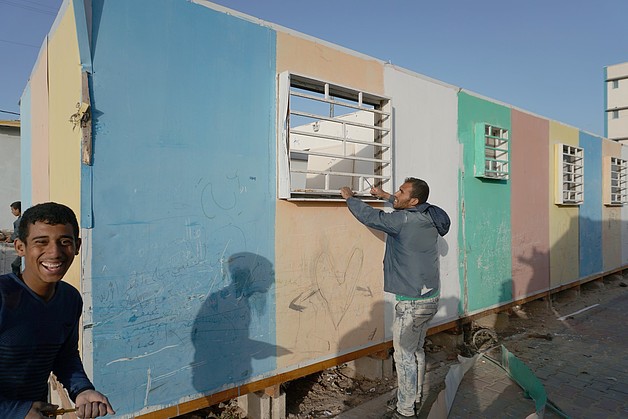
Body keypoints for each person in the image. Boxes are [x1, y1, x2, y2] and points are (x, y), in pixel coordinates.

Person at [340, 178, 450, 419]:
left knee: (403, 356)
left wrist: (350, 198)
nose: (396, 194)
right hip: (429, 296)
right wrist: (383, 194)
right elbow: (402, 205)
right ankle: (415, 397)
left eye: (401, 191)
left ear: (413, 201)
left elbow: (373, 218)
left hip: (411, 303)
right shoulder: (428, 216)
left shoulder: (402, 221)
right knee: (416, 350)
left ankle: (406, 410)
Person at [0, 202, 115, 418]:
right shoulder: (3, 296)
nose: (54, 252)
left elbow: (64, 355)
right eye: (41, 242)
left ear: (77, 246)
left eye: (64, 242)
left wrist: (82, 389)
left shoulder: (70, 299)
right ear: (20, 247)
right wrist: (15, 412)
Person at [6, 201, 22, 274]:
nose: (12, 212)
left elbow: (18, 232)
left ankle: (16, 280)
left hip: (23, 246)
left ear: (17, 209)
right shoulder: (20, 219)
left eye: (13, 210)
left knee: (15, 265)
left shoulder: (19, 221)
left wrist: (11, 238)